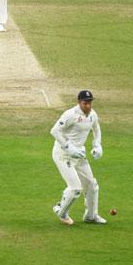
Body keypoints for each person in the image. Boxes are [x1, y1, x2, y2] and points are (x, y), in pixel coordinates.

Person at [50, 90, 106, 225]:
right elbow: (55, 131)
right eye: (85, 103)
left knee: (92, 185)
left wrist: (97, 145)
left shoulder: (92, 114)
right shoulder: (70, 114)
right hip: (63, 155)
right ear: (79, 102)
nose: (88, 106)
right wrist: (69, 147)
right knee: (75, 188)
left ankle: (91, 216)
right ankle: (61, 212)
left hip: (79, 154)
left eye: (90, 103)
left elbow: (96, 129)